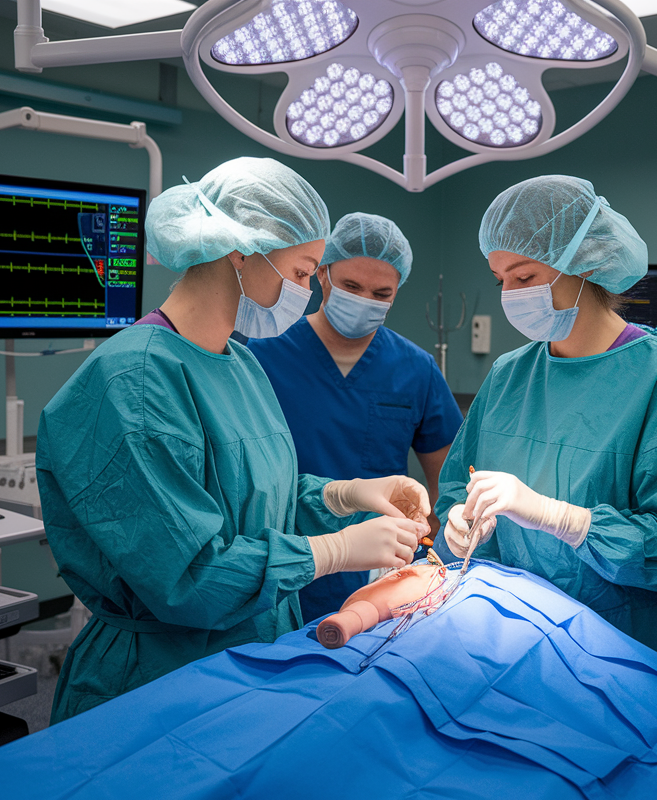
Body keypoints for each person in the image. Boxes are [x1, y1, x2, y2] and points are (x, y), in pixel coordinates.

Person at [37, 158, 430, 723]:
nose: (305, 293)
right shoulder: (135, 381)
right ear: (242, 250)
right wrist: (334, 551)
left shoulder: (238, 363)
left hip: (250, 657)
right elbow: (187, 577)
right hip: (157, 682)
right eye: (301, 273)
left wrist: (348, 495)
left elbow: (255, 497)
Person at [435, 175, 657, 680]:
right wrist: (460, 525)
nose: (509, 294)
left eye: (525, 276)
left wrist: (564, 519)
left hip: (632, 659)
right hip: (514, 646)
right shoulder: (510, 375)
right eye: (501, 280)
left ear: (587, 264)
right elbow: (456, 485)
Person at [248, 212, 462, 621]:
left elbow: (446, 485)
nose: (364, 300)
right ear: (322, 273)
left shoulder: (416, 369)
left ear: (397, 292)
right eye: (351, 286)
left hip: (380, 578)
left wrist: (431, 562)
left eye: (381, 293)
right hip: (282, 565)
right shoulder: (262, 355)